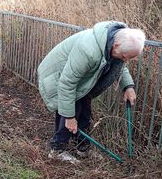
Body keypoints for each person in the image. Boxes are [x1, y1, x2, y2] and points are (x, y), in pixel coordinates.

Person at [38, 21, 146, 164]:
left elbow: (119, 65)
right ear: (116, 46)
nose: (125, 60)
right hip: (57, 76)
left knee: (85, 113)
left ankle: (82, 148)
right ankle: (57, 150)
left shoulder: (117, 40)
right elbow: (67, 83)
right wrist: (69, 117)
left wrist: (128, 86)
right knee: (70, 112)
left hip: (82, 80)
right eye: (125, 56)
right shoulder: (88, 50)